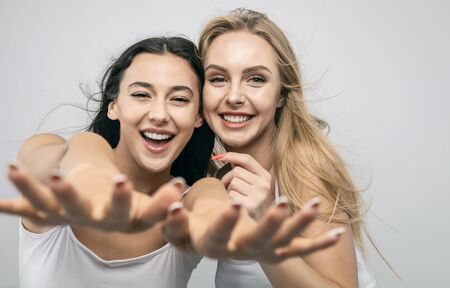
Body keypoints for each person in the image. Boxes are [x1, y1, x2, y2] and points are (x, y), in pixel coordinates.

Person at [0, 36, 342, 288]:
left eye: (179, 99)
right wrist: (91, 171)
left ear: (197, 116)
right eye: (140, 94)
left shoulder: (199, 192)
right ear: (113, 105)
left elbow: (209, 207)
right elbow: (45, 159)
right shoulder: (58, 167)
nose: (160, 114)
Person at [193, 8, 377, 288]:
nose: (233, 97)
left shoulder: (304, 170)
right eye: (218, 78)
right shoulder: (218, 174)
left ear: (280, 94)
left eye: (256, 79)